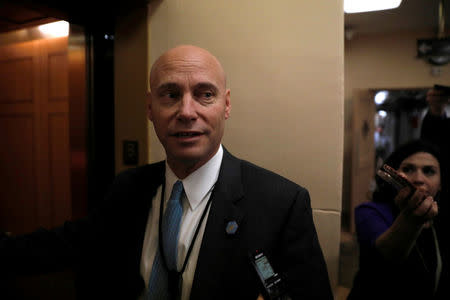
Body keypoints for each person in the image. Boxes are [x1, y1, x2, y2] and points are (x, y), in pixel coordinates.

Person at [0, 45, 332, 300]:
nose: (187, 112)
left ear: (226, 105)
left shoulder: (282, 204)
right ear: (150, 108)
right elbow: (66, 244)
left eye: (205, 94)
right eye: (170, 95)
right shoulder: (127, 187)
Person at [348, 139, 449, 299]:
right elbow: (387, 256)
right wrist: (411, 220)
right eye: (408, 169)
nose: (418, 179)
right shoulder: (369, 212)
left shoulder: (440, 223)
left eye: (429, 171)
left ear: (441, 182)